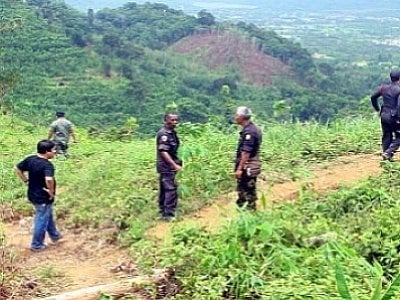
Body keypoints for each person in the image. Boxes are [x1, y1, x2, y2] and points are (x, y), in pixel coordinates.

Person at [15, 140, 63, 252]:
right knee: (42, 218)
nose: (55, 152)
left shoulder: (30, 159)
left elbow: (17, 168)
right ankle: (36, 245)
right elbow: (49, 179)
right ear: (47, 151)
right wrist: (51, 191)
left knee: (47, 214)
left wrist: (26, 181)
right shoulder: (47, 165)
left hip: (32, 194)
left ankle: (55, 236)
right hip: (42, 197)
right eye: (53, 150)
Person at [234, 106, 262, 210]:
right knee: (247, 191)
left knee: (246, 193)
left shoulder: (249, 132)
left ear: (242, 117)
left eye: (236, 115)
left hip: (247, 168)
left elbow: (246, 152)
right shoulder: (253, 129)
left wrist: (239, 169)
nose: (235, 117)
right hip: (250, 167)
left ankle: (248, 215)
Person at [156, 112, 182, 221]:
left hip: (167, 166)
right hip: (167, 167)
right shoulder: (164, 134)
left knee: (164, 188)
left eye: (176, 120)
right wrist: (174, 165)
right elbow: (163, 151)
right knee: (170, 189)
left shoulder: (172, 133)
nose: (175, 122)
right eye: (172, 120)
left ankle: (162, 211)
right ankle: (169, 215)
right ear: (165, 120)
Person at [371, 70, 400, 160]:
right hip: (394, 116)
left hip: (384, 115)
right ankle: (388, 152)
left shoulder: (383, 88)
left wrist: (377, 109)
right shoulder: (399, 89)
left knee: (387, 135)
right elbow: (399, 105)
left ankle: (386, 157)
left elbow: (373, 97)